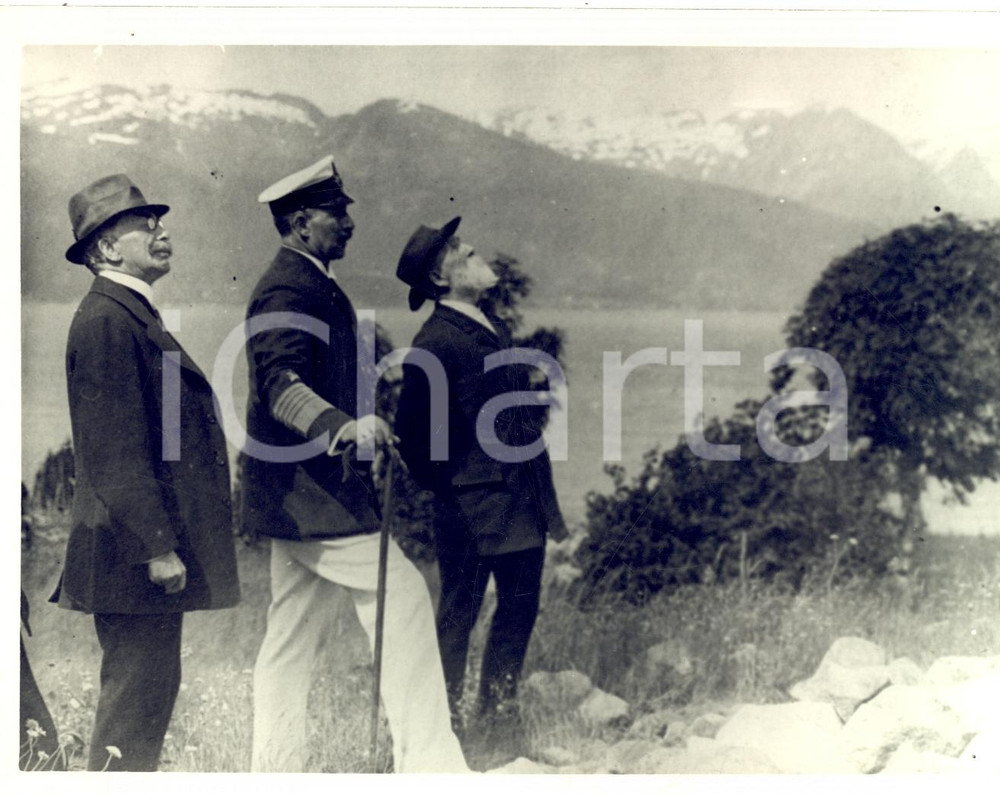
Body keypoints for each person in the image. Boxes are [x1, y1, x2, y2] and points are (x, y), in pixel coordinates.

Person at [242, 155, 468, 773]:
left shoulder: (311, 279)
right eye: (337, 212)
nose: (349, 222)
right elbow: (279, 383)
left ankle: (275, 770)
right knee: (406, 599)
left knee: (289, 639)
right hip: (313, 498)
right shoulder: (289, 285)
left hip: (298, 497)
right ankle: (431, 769)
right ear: (300, 222)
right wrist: (344, 427)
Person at [52, 174, 240, 771]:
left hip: (130, 552)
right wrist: (158, 547)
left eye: (159, 220)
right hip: (131, 553)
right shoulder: (110, 319)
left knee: (145, 701)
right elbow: (115, 455)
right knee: (134, 709)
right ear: (106, 249)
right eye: (145, 223)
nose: (162, 230)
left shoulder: (127, 313)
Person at [394, 217, 568, 752]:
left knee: (518, 610)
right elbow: (414, 438)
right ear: (440, 280)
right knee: (459, 617)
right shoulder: (438, 341)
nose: (471, 248)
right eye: (457, 252)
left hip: (518, 499)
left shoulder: (481, 323)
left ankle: (495, 726)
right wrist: (459, 486)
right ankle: (441, 735)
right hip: (474, 506)